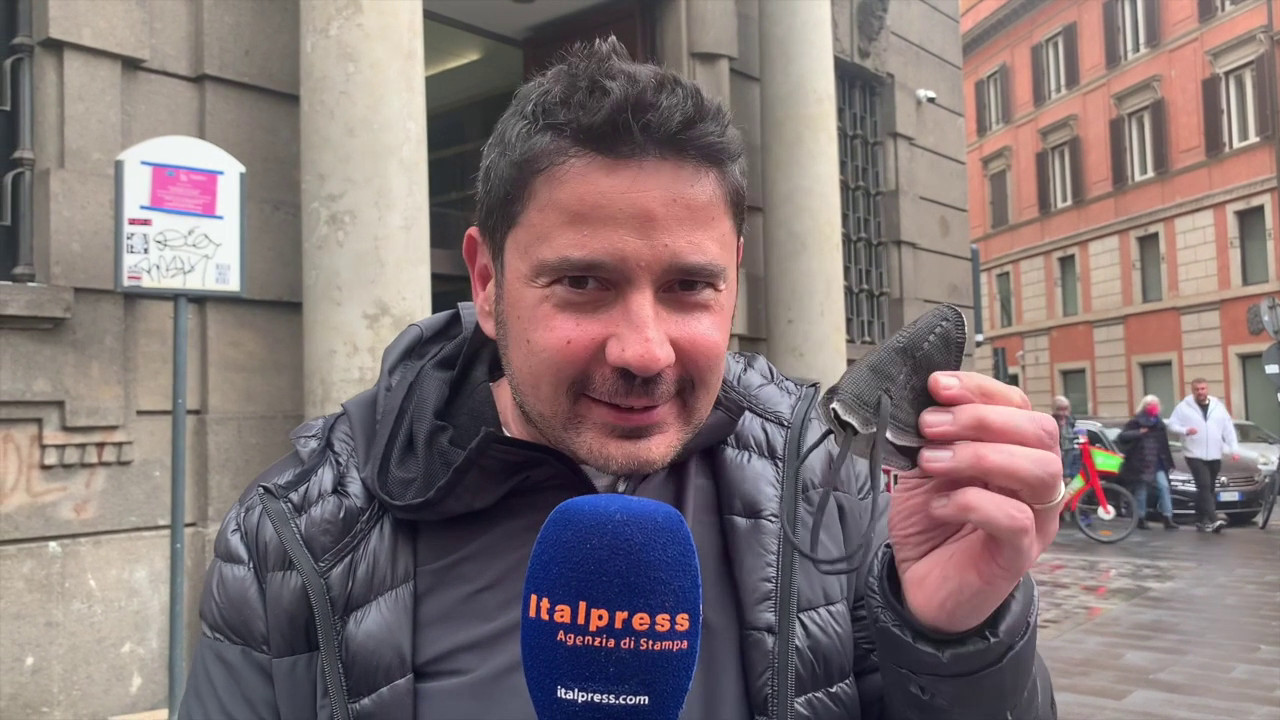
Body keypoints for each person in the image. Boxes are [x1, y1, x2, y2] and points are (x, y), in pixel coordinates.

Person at [179, 38, 1058, 720]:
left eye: (689, 287)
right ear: (487, 282)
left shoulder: (833, 487)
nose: (645, 351)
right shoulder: (294, 541)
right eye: (582, 282)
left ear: (734, 279)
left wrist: (957, 637)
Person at [1167, 378, 1239, 533]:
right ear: (1192, 391)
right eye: (1197, 389)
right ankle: (1213, 519)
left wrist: (1234, 449)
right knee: (1204, 485)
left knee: (1209, 488)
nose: (1200, 392)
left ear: (1207, 389)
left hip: (1215, 453)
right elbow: (1172, 425)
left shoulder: (1218, 406)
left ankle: (1200, 519)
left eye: (1203, 389)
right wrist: (1185, 430)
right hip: (1194, 453)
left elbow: (1228, 428)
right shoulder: (1183, 407)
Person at [1117, 395, 1179, 530]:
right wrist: (1138, 432)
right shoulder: (1135, 422)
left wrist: (1169, 462)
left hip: (1158, 462)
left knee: (1164, 487)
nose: (1154, 407)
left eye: (1155, 404)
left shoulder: (1159, 423)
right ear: (1144, 406)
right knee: (1141, 490)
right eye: (1150, 404)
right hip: (1140, 462)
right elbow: (1122, 437)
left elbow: (1164, 445)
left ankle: (1167, 517)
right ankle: (1141, 518)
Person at [1052, 396, 1081, 481]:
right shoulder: (1052, 421)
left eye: (1065, 409)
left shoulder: (1071, 420)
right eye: (1060, 409)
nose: (1063, 413)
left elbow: (1076, 433)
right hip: (1059, 455)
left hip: (1072, 456)